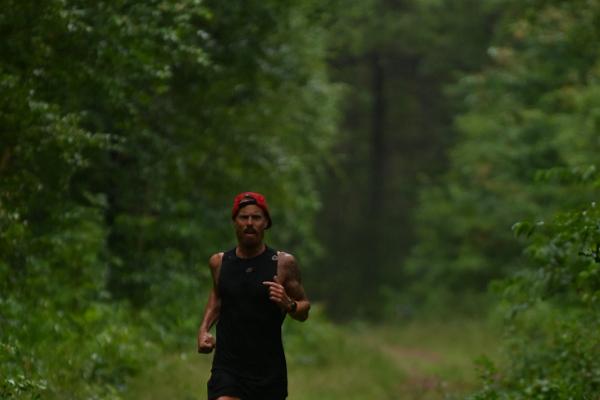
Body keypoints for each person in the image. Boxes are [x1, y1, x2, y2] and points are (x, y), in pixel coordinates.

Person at [197, 191, 310, 400]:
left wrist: (289, 304)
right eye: (244, 217)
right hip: (228, 367)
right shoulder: (219, 263)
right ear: (235, 222)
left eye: (256, 217)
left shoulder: (283, 263)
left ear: (266, 223)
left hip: (268, 371)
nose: (249, 223)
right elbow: (218, 298)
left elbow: (304, 309)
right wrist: (203, 330)